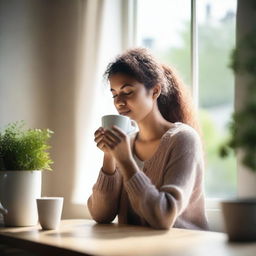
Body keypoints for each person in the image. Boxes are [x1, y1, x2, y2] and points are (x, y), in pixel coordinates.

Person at [87, 48, 209, 230]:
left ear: (155, 91)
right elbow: (101, 215)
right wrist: (109, 156)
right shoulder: (126, 143)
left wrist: (127, 162)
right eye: (114, 94)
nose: (119, 102)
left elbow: (164, 217)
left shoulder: (183, 139)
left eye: (127, 91)